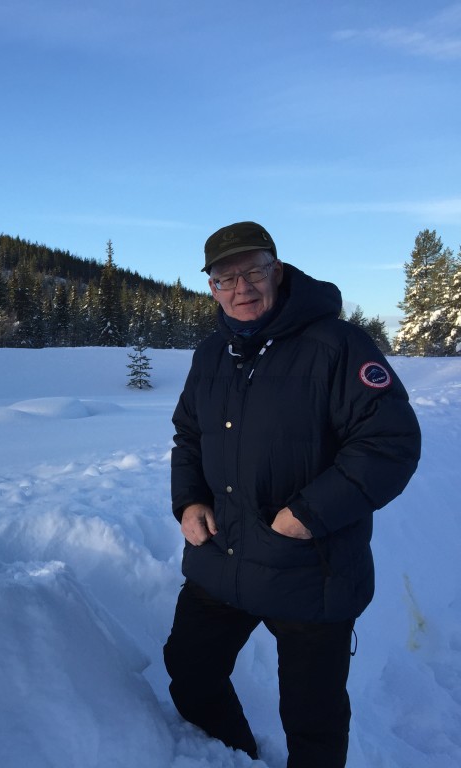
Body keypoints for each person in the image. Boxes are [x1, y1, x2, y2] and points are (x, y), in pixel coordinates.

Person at [163, 221, 421, 767]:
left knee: (313, 720)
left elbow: (389, 443)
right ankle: (233, 757)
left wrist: (306, 515)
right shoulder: (210, 354)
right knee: (190, 674)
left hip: (311, 567)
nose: (241, 288)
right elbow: (188, 435)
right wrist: (188, 501)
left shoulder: (337, 344)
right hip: (223, 556)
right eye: (224, 278)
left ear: (276, 271)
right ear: (211, 286)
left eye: (253, 271)